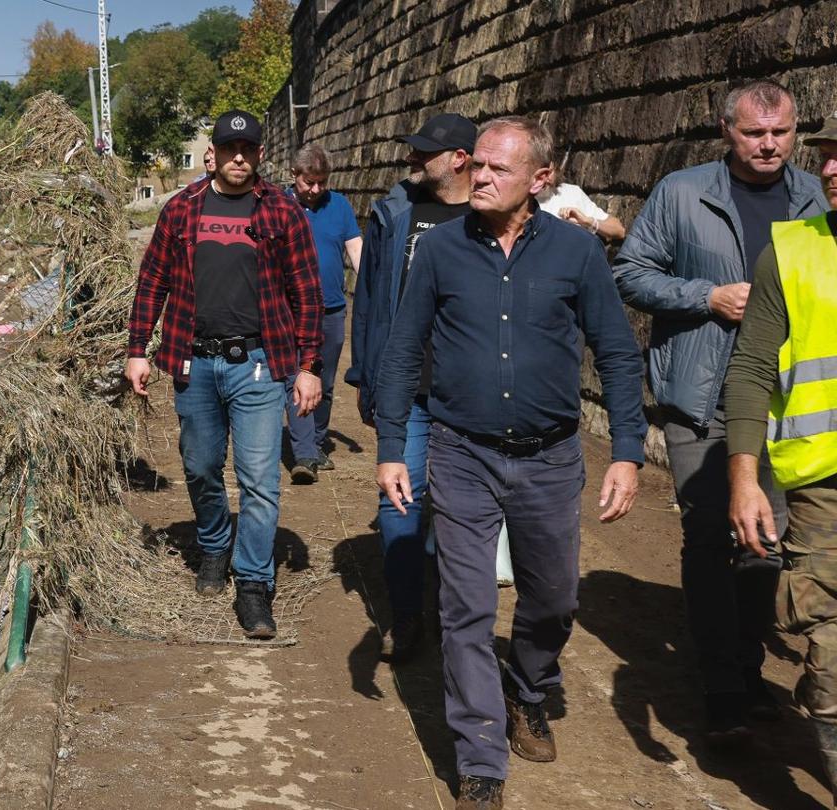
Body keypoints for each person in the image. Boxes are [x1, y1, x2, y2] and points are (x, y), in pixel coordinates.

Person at [375, 116, 646, 810]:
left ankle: (528, 690)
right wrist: (389, 449)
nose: (480, 176)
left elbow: (615, 351)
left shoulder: (575, 253)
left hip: (551, 458)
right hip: (461, 453)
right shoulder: (438, 251)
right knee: (465, 606)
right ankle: (481, 761)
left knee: (554, 598)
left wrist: (626, 452)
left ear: (540, 180)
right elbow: (404, 349)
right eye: (478, 166)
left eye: (498, 168)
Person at [612, 78, 831, 737]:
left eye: (782, 132)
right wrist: (706, 296)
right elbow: (630, 271)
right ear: (725, 132)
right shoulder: (683, 193)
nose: (770, 145)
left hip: (786, 402)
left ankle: (745, 663)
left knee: (768, 545)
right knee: (711, 537)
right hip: (700, 399)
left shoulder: (814, 196)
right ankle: (724, 690)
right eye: (754, 133)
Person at [125, 110, 323, 639]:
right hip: (194, 360)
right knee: (200, 466)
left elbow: (308, 292)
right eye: (231, 147)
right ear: (215, 151)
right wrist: (137, 348)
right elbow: (153, 282)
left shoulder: (282, 210)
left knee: (260, 479)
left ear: (260, 153)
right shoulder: (182, 208)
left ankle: (254, 583)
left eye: (249, 148)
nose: (240, 156)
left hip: (258, 364)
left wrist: (308, 367)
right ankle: (214, 544)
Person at [727, 115, 837, 798]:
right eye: (827, 157)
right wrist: (744, 479)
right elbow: (750, 370)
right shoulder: (791, 251)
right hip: (823, 488)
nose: (828, 171)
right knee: (829, 635)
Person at [345, 112, 476, 658]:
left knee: (464, 509)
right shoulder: (395, 211)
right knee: (400, 498)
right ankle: (405, 614)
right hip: (410, 388)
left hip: (472, 392)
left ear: (460, 160)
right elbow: (371, 299)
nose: (411, 159)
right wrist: (366, 375)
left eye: (425, 152)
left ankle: (457, 613)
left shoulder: (496, 212)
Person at [283, 144, 362, 484]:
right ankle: (304, 454)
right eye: (309, 182)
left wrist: (372, 292)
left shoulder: (339, 206)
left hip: (330, 310)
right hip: (290, 311)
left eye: (321, 182)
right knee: (299, 378)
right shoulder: (279, 206)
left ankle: (315, 443)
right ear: (294, 176)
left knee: (324, 383)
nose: (315, 190)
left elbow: (357, 252)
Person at [537, 170, 626, 243]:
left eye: (549, 172)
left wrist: (588, 221)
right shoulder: (525, 203)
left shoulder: (571, 192)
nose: (546, 179)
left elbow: (619, 230)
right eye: (540, 174)